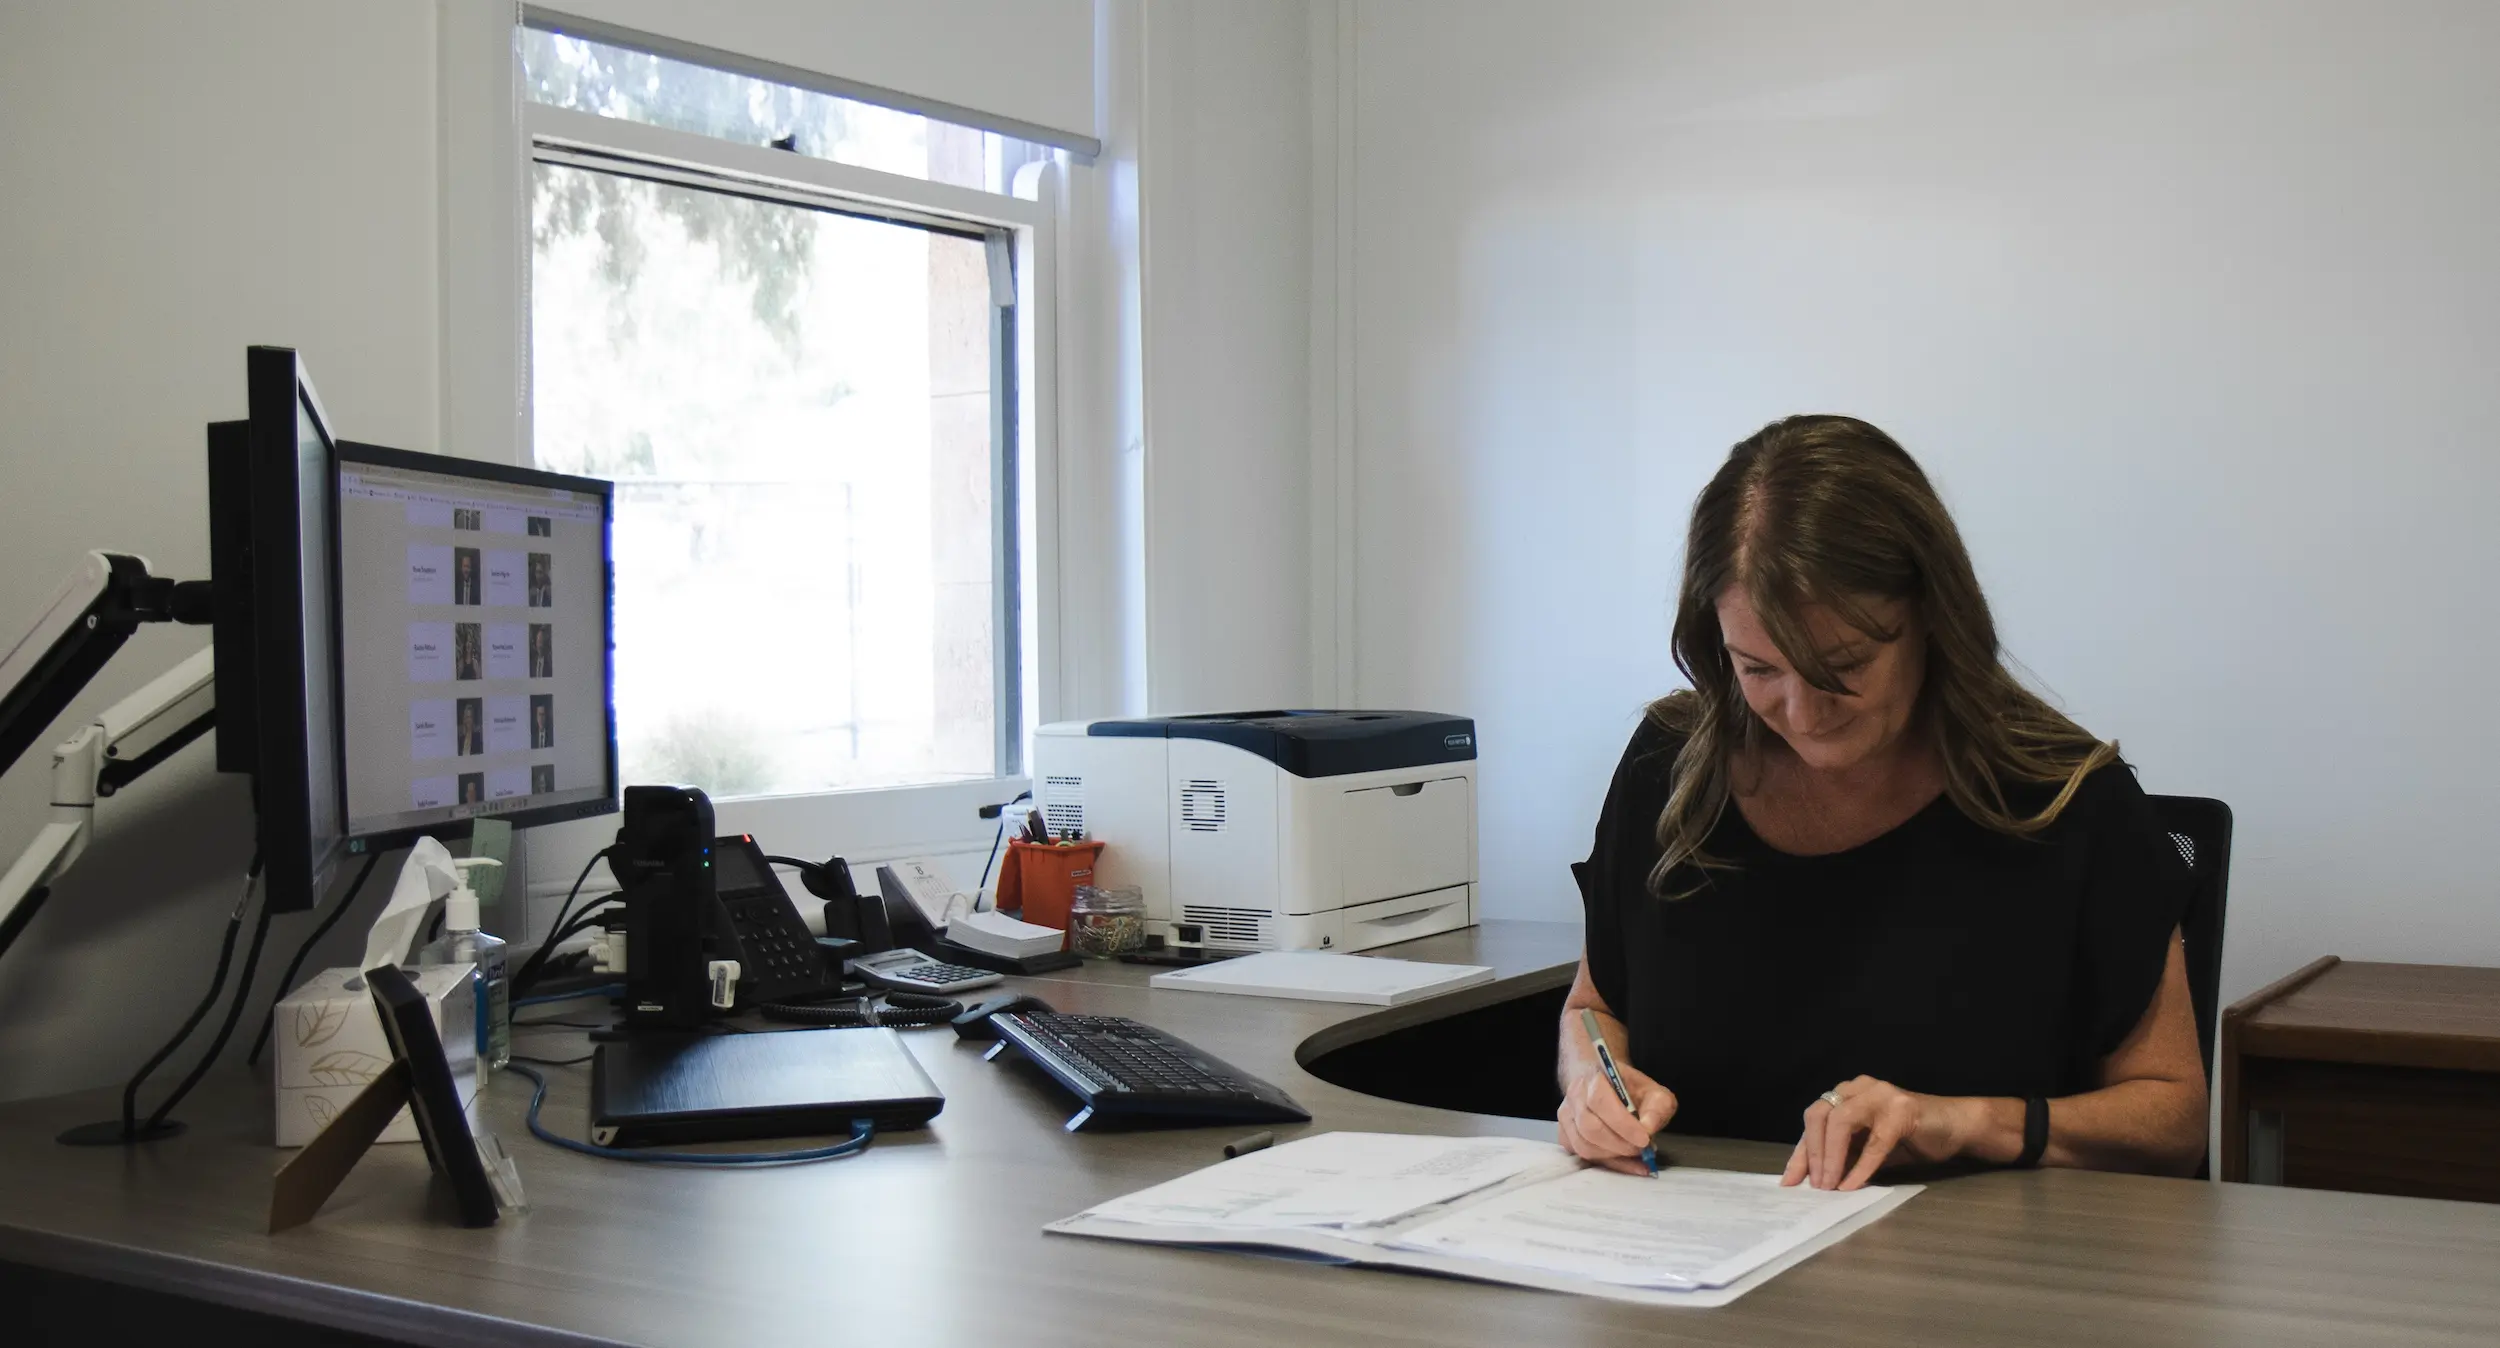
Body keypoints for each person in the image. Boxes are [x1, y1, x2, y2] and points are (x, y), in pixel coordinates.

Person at [1558, 415, 2206, 1192]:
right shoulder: (1668, 768)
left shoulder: (2066, 802)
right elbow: (1591, 1010)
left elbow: (2174, 1119)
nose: (1802, 712)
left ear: (1933, 617)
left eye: (1842, 665)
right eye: (1758, 669)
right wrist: (1592, 1088)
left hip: (1976, 1281)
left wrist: (1966, 1122)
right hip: (1694, 1268)